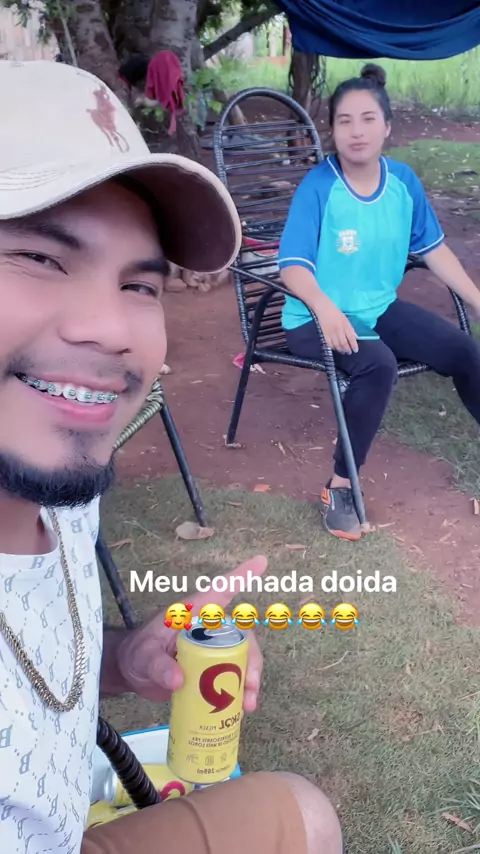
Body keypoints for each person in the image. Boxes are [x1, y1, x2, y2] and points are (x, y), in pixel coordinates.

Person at [0, 60, 344, 854]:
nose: (111, 330)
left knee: (302, 816)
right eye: (41, 258)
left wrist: (127, 659)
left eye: (139, 285)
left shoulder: (58, 486)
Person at [278, 63, 480, 542]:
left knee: (464, 352)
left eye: (368, 118)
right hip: (312, 317)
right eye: (344, 120)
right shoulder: (319, 186)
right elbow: (292, 266)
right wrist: (325, 308)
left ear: (387, 127)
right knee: (377, 364)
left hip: (378, 309)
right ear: (332, 130)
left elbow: (434, 250)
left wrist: (477, 300)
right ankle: (340, 486)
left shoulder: (403, 182)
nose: (357, 131)